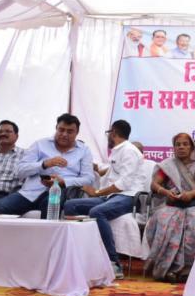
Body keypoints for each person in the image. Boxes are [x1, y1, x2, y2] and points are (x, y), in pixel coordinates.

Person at [63, 120, 146, 280]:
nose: (108, 136)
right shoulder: (118, 151)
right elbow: (110, 173)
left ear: (113, 133)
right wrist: (94, 168)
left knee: (97, 212)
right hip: (111, 197)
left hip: (128, 197)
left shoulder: (129, 151)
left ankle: (114, 263)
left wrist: (97, 192)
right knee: (70, 205)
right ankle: (77, 255)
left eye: (109, 133)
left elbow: (123, 184)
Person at [0, 114, 94, 217]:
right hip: (31, 192)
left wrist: (64, 182)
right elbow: (20, 171)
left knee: (50, 204)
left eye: (69, 131)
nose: (64, 134)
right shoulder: (40, 144)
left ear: (77, 133)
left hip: (59, 191)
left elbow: (89, 179)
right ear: (56, 128)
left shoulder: (84, 150)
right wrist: (44, 164)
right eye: (61, 130)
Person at [144, 133, 195, 282]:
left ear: (192, 147)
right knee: (164, 219)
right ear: (174, 147)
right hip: (171, 202)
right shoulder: (167, 165)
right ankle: (167, 268)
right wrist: (166, 192)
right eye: (178, 144)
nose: (181, 147)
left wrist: (193, 193)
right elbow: (154, 184)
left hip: (194, 203)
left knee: (194, 221)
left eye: (185, 144)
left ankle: (188, 270)